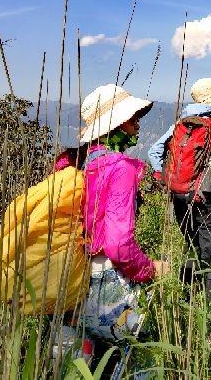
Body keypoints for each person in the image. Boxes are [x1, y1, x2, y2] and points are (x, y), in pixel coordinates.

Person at [76, 84, 169, 348]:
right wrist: (150, 268)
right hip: (108, 284)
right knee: (143, 358)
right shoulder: (120, 168)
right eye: (133, 118)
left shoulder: (84, 164)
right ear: (115, 125)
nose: (138, 124)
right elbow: (117, 244)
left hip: (75, 283)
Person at [148, 77, 211, 299]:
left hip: (182, 198)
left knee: (195, 248)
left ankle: (187, 299)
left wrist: (169, 179)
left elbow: (154, 151)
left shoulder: (182, 123)